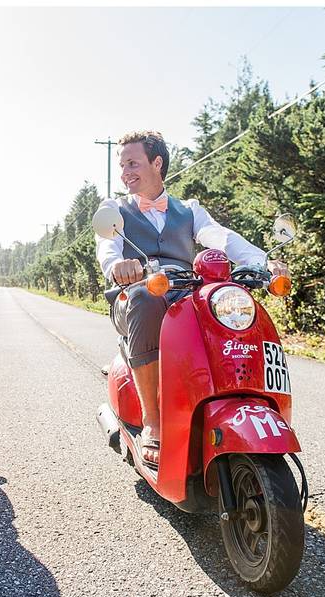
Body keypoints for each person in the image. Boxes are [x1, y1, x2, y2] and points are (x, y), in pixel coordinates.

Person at [95, 130, 288, 469]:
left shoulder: (189, 210)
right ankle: (153, 420)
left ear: (157, 163)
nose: (125, 172)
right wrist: (118, 266)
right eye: (122, 165)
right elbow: (106, 248)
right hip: (135, 296)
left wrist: (263, 263)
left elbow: (223, 239)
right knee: (145, 299)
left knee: (229, 304)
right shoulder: (116, 209)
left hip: (184, 293)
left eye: (133, 163)